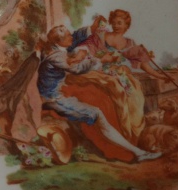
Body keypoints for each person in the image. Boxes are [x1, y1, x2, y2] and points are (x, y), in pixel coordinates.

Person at [38, 24, 161, 162]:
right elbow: (77, 69)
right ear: (58, 41)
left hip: (55, 92)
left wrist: (90, 31)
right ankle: (138, 153)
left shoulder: (53, 48)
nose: (71, 36)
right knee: (98, 114)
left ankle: (138, 152)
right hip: (54, 99)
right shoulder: (56, 56)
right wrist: (101, 60)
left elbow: (74, 41)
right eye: (67, 36)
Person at [104, 9, 167, 80]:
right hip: (105, 69)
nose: (115, 26)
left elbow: (142, 64)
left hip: (123, 72)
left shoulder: (130, 43)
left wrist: (158, 75)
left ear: (126, 25)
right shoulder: (105, 36)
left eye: (119, 23)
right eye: (113, 23)